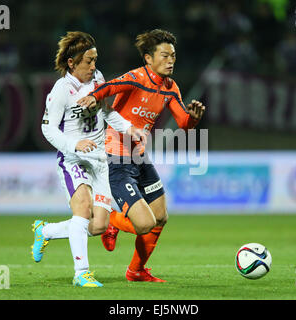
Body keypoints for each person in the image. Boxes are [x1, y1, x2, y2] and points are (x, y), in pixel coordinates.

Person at [78, 29, 206, 282]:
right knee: (145, 224)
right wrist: (93, 96)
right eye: (165, 55)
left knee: (160, 217)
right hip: (116, 157)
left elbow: (184, 124)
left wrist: (193, 118)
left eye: (173, 56)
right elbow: (110, 86)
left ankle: (136, 271)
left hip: (139, 157)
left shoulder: (171, 88)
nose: (171, 60)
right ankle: (113, 221)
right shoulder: (136, 77)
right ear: (148, 58)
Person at [31, 31, 145, 287]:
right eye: (88, 61)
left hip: (99, 161)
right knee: (82, 208)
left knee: (97, 227)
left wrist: (129, 128)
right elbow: (47, 128)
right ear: (72, 63)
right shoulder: (61, 89)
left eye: (95, 60)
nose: (93, 66)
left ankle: (45, 231)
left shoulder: (98, 79)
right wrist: (74, 144)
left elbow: (107, 111)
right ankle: (81, 272)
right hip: (73, 159)